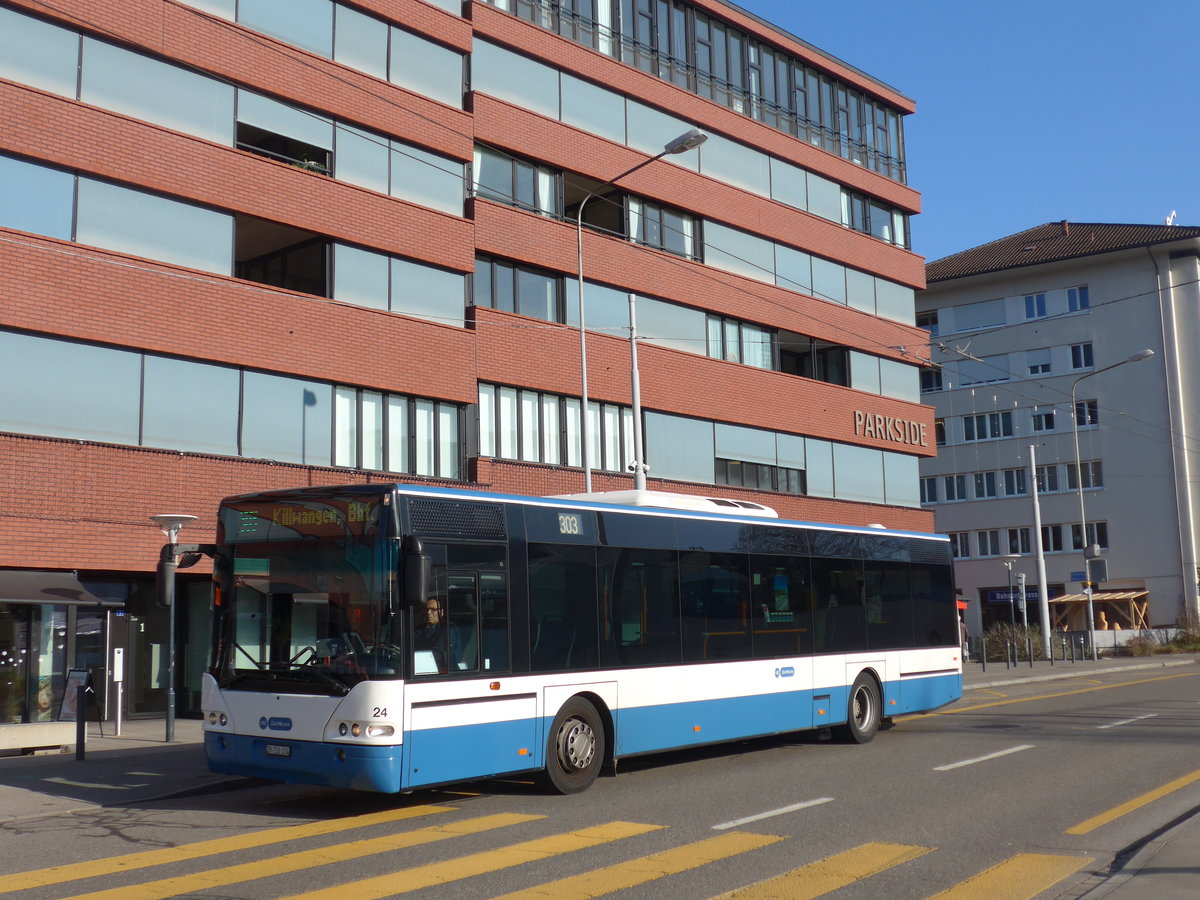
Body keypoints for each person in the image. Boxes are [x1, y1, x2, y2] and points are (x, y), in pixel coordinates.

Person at [414, 597, 460, 673]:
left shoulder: (448, 629)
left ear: (441, 612)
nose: (428, 612)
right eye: (426, 609)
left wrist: (418, 661)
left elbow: (438, 651)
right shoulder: (418, 630)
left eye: (433, 609)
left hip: (441, 674)